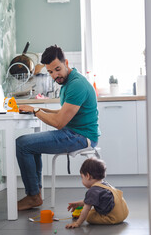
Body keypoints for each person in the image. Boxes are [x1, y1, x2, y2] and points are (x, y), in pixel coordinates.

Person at [16, 45, 100, 211]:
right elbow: (64, 113)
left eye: (57, 69)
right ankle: (34, 194)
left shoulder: (77, 85)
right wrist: (36, 109)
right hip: (73, 133)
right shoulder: (69, 82)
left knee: (23, 144)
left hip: (80, 136)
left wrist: (36, 110)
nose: (55, 75)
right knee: (29, 145)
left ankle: (33, 195)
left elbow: (59, 122)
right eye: (50, 72)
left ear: (66, 62)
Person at [65, 157, 129, 228]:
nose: (82, 180)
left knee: (88, 215)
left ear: (88, 176)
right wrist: (79, 203)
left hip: (113, 218)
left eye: (82, 177)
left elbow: (86, 209)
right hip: (124, 214)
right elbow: (92, 200)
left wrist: (77, 223)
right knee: (93, 209)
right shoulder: (105, 184)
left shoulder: (92, 191)